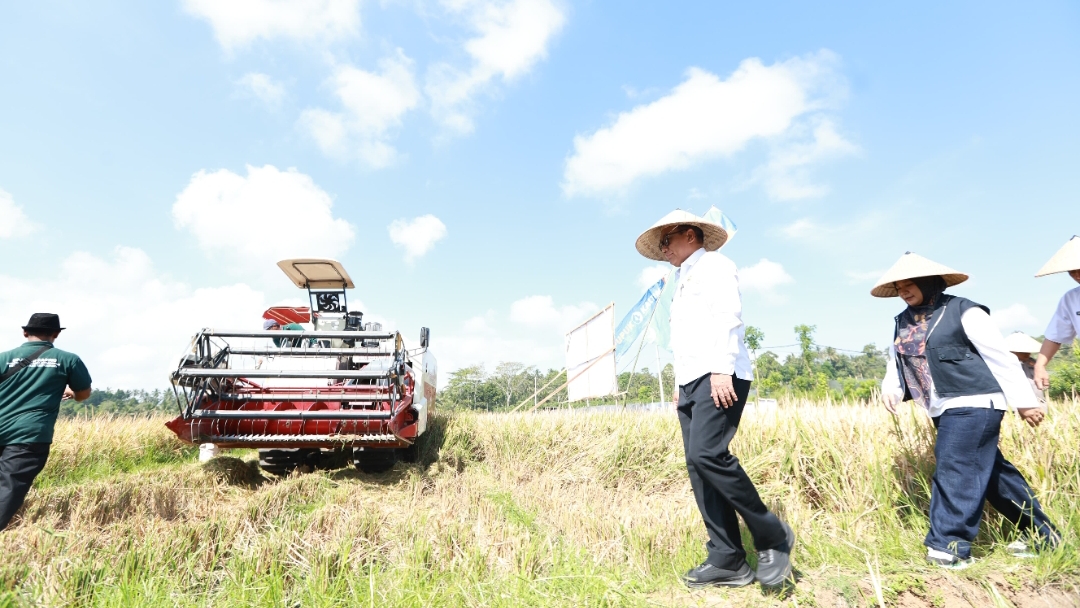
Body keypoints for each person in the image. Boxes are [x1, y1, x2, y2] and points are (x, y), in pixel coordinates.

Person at [635, 209, 794, 590]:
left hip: (719, 374)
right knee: (697, 465)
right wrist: (680, 383)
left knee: (708, 454)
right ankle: (727, 559)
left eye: (667, 240)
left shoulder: (715, 266)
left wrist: (722, 368)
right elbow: (685, 337)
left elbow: (728, 317)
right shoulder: (681, 281)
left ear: (690, 235)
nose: (664, 249)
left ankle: (772, 534)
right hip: (691, 380)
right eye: (661, 244)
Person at [874, 253, 1058, 568]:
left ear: (929, 283)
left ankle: (948, 547)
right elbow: (897, 360)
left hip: (976, 400)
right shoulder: (903, 321)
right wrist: (890, 388)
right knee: (994, 477)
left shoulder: (964, 311)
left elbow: (1001, 357)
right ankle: (1045, 537)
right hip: (941, 407)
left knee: (955, 467)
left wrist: (1025, 402)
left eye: (909, 285)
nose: (903, 292)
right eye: (899, 287)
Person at [0, 313, 92, 531]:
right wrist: (71, 393)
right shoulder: (68, 360)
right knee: (9, 488)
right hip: (29, 435)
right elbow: (83, 393)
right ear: (56, 334)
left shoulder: (3, 358)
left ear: (25, 332)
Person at [1032, 235, 1080, 392]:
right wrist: (1040, 365)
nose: (1077, 276)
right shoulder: (1071, 299)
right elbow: (1055, 335)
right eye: (1072, 271)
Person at [1004, 332, 1046, 405]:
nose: (1027, 354)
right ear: (1012, 352)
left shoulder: (1034, 363)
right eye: (1023, 352)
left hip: (1038, 401)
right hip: (1016, 404)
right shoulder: (1004, 365)